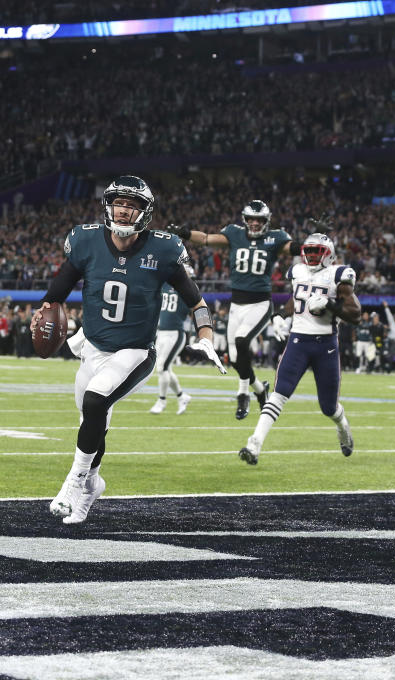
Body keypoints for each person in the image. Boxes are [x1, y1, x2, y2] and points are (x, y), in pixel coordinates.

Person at [32, 175, 225, 525]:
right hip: (92, 347)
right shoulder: (86, 240)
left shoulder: (163, 249)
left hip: (134, 351)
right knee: (93, 420)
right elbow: (59, 288)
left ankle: (73, 482)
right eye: (119, 203)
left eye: (132, 205)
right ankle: (92, 486)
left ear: (145, 213)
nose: (123, 210)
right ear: (109, 206)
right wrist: (43, 310)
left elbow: (196, 301)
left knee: (95, 401)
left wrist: (207, 335)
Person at [166, 200, 301, 419]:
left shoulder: (275, 238)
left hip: (260, 304)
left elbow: (293, 248)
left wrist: (314, 239)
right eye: (251, 219)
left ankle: (242, 394)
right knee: (236, 357)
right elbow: (208, 239)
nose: (255, 223)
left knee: (241, 341)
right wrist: (184, 233)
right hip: (237, 305)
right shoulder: (235, 234)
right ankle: (259, 389)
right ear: (245, 220)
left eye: (259, 220)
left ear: (266, 221)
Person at [238, 233, 360, 465]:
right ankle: (254, 444)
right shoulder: (298, 271)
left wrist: (331, 304)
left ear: (329, 254)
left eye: (317, 251)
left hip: (326, 346)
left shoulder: (338, 275)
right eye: (309, 250)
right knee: (278, 394)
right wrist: (281, 315)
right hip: (298, 342)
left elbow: (356, 315)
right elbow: (297, 298)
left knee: (329, 407)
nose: (312, 255)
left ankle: (343, 426)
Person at [150, 265, 194, 415]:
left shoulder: (188, 288)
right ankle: (182, 396)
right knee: (165, 369)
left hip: (175, 333)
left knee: (162, 367)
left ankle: (161, 400)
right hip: (161, 332)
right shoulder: (165, 284)